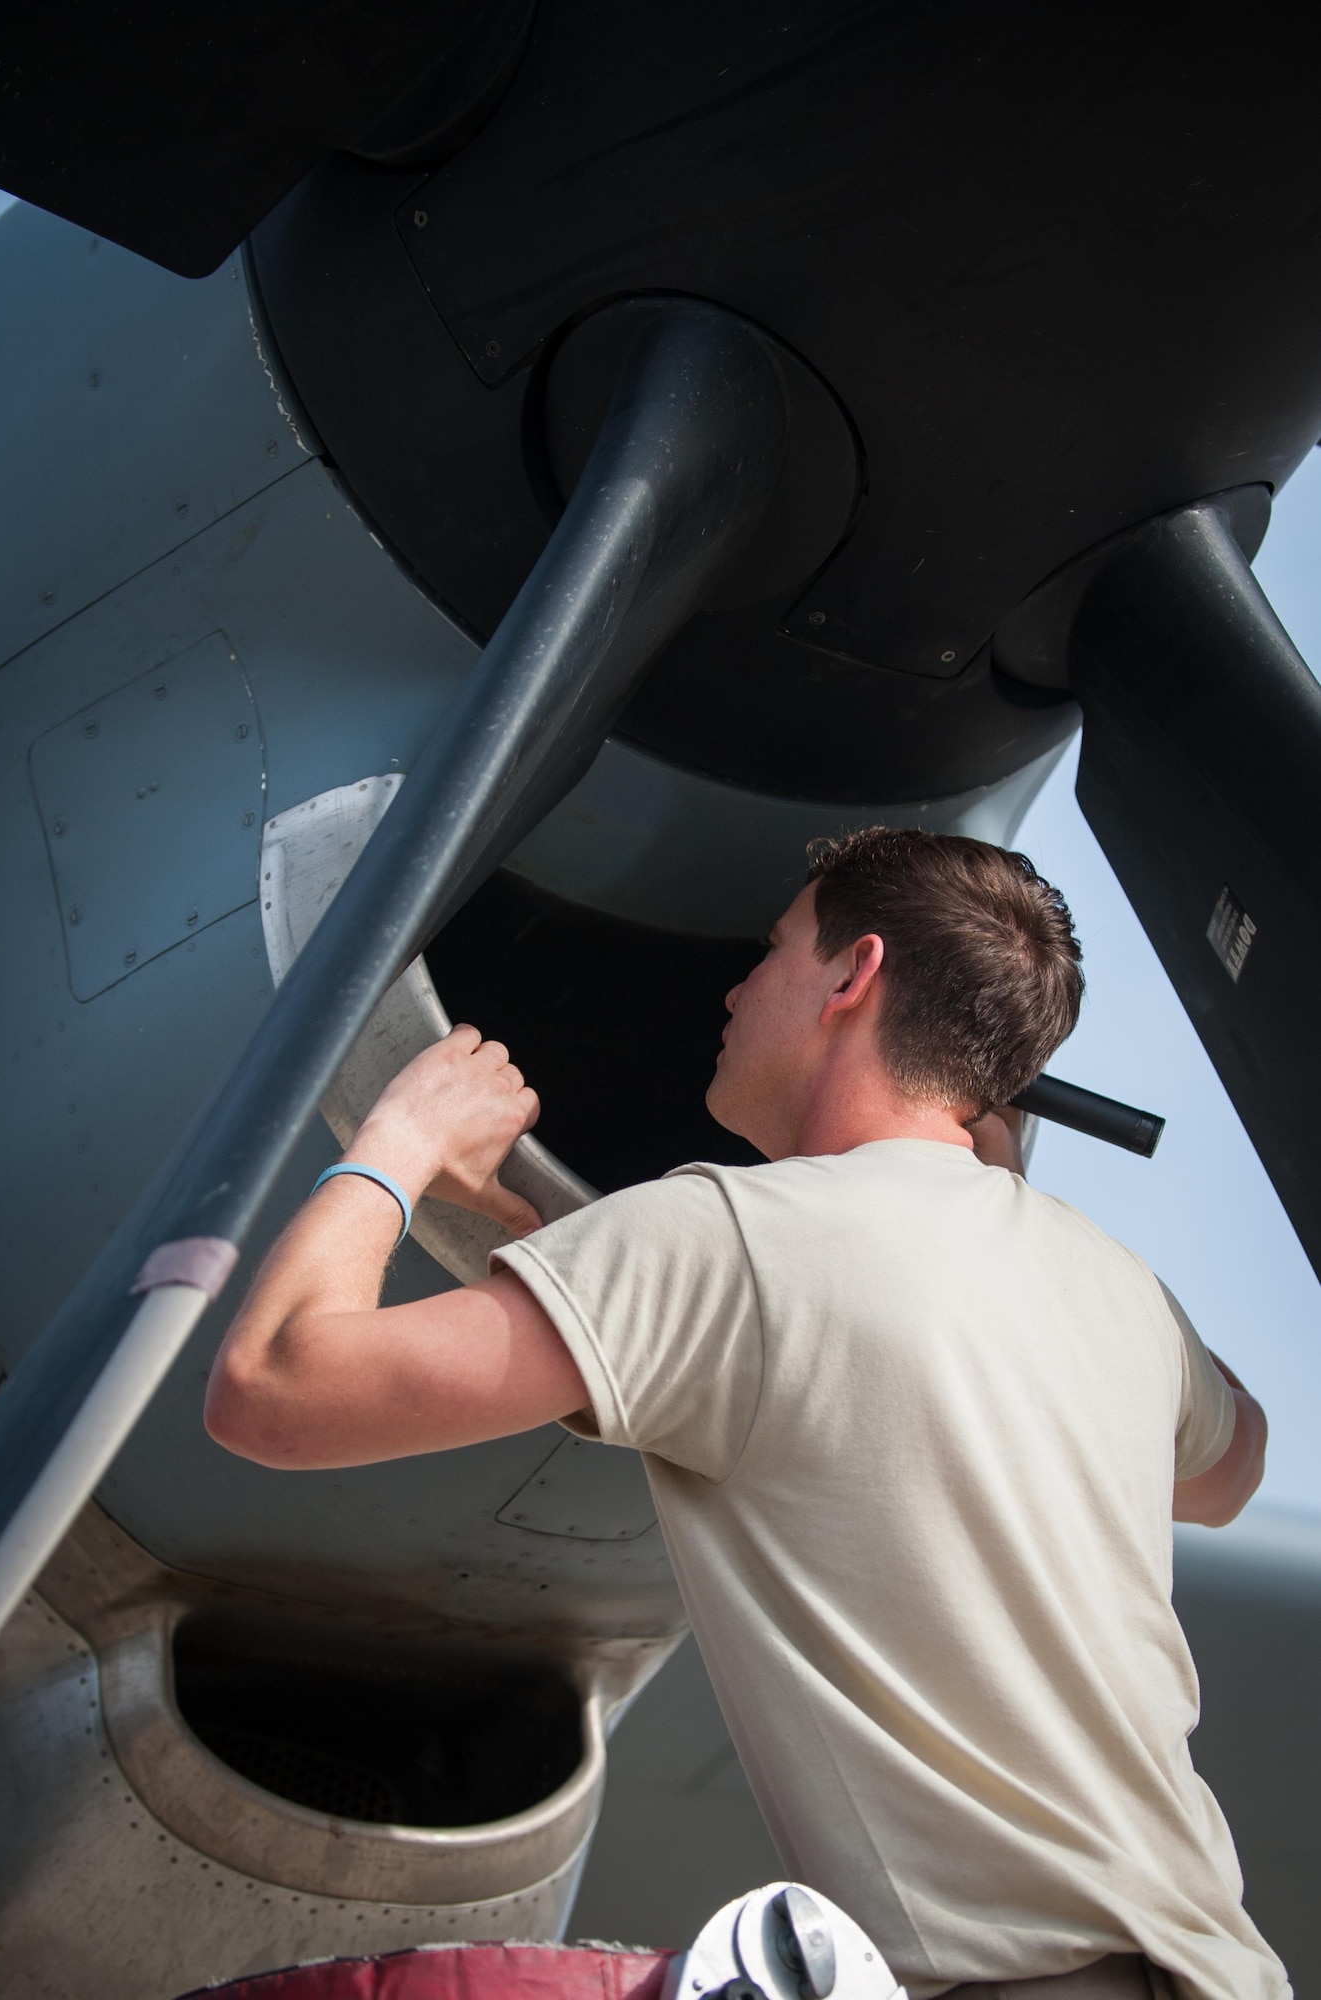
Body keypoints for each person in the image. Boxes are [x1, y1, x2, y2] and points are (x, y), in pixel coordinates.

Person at [206, 827, 1284, 2000]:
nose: (734, 986)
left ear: (852, 972)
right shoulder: (1118, 1289)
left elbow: (273, 1389)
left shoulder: (728, 1236)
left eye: (772, 948)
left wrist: (399, 1141)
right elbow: (1229, 1468)